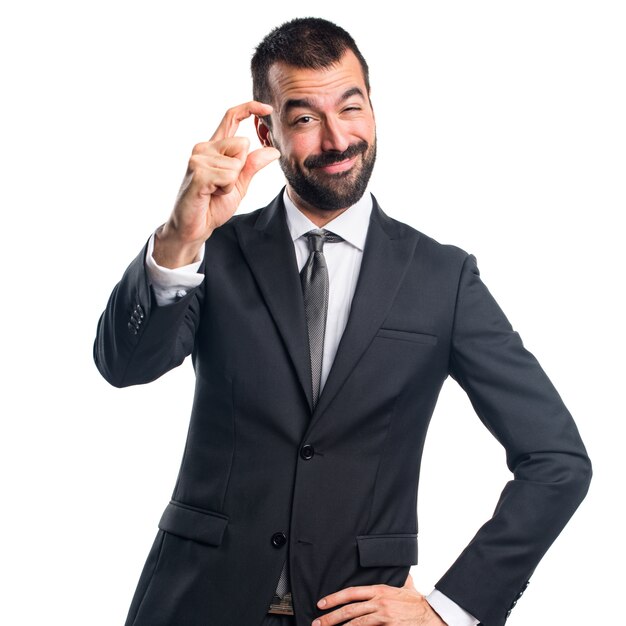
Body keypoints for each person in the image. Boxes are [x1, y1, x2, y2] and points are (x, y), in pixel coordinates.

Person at [93, 16, 592, 626]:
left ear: (372, 109)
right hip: (195, 603)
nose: (336, 139)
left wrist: (449, 609)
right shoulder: (213, 251)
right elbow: (124, 365)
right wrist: (178, 237)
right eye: (304, 118)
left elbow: (557, 459)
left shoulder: (443, 279)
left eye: (351, 109)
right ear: (266, 130)